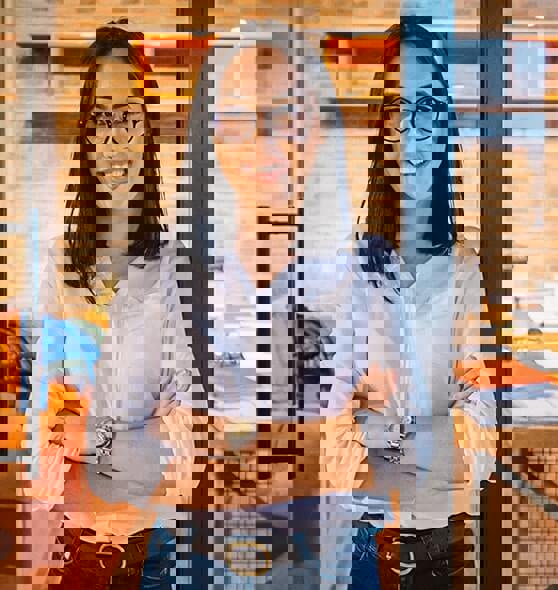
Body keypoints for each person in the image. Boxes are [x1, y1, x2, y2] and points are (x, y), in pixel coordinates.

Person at [138, 21, 366, 590]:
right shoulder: (169, 278)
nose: (262, 143)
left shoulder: (367, 279)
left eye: (282, 118)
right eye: (238, 123)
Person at [24, 22, 195, 588]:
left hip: (152, 537)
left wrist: (96, 433)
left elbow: (187, 433)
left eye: (130, 117)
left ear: (148, 133)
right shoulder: (58, 265)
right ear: (86, 135)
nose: (117, 138)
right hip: (74, 537)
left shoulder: (177, 270)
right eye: (102, 118)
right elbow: (44, 415)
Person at [335, 18, 487, 588]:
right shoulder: (351, 263)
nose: (409, 130)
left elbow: (478, 397)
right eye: (397, 109)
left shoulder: (464, 266)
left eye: (426, 110)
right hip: (362, 516)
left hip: (440, 516)